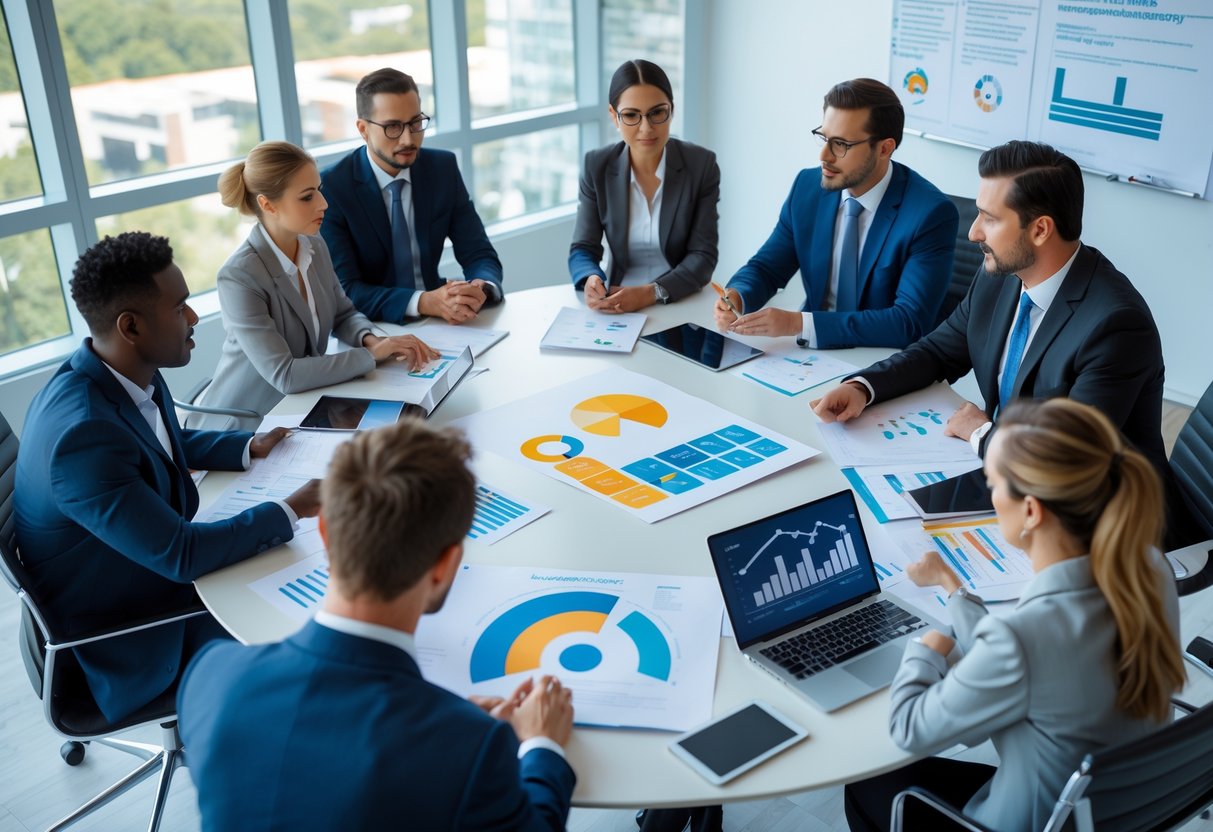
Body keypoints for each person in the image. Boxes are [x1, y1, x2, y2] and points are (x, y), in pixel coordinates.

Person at [179, 419, 576, 830]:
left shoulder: (211, 675)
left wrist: (452, 729)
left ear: (325, 531)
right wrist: (541, 744)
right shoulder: (469, 749)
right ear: (445, 565)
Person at [811, 140, 1199, 545]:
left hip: (1105, 525)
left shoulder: (1116, 325)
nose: (974, 232)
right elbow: (938, 350)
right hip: (1015, 487)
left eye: (989, 218)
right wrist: (862, 387)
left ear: (1040, 229)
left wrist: (981, 433)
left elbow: (1069, 462)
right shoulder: (999, 276)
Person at [13, 232, 320, 724]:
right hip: (131, 635)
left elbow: (156, 439)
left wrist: (245, 446)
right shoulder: (82, 438)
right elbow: (182, 556)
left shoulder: (115, 372)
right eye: (180, 308)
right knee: (315, 628)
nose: (195, 319)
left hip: (135, 575)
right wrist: (292, 508)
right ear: (130, 326)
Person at [843, 398, 1184, 831]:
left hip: (1020, 822)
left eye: (993, 484)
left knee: (866, 782)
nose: (991, 495)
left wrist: (925, 650)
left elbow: (910, 729)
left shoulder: (1022, 640)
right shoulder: (1149, 566)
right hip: (1109, 809)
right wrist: (954, 590)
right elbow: (1037, 656)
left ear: (1030, 511)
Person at [187, 141, 438, 431]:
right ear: (268, 205)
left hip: (306, 408)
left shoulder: (315, 246)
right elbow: (286, 374)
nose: (323, 203)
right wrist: (370, 356)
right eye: (307, 197)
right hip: (248, 424)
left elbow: (343, 314)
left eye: (318, 189)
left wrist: (373, 340)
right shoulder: (239, 276)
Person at [714, 78, 957, 348]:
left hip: (883, 361)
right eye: (824, 138)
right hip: (808, 358)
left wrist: (799, 323)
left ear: (884, 148)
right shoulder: (807, 188)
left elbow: (908, 322)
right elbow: (767, 268)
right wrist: (738, 295)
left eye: (840, 144)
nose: (824, 156)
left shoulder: (930, 214)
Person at [320, 67, 504, 325]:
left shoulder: (442, 169)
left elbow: (479, 253)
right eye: (393, 126)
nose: (409, 139)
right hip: (372, 329)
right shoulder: (332, 187)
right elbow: (346, 291)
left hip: (440, 321)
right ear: (363, 129)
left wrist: (479, 288)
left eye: (416, 123)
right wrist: (425, 301)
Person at [569, 59, 720, 312]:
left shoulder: (701, 165)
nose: (646, 128)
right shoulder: (597, 166)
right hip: (616, 299)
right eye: (631, 115)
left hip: (679, 300)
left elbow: (702, 257)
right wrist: (591, 279)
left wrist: (650, 293)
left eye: (657, 113)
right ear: (614, 117)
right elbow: (583, 249)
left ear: (671, 110)